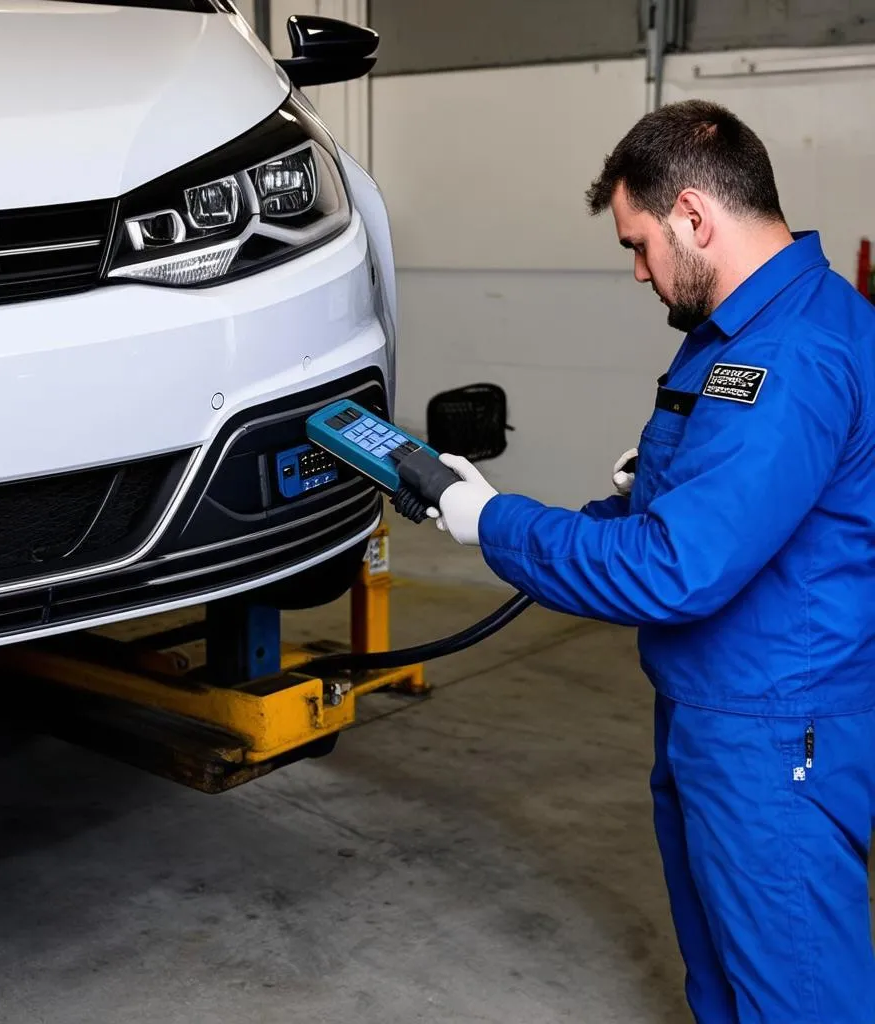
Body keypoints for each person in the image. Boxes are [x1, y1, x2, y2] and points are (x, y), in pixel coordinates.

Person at [428, 99, 875, 1023]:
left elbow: (676, 566)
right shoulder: (744, 337)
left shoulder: (790, 354)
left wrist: (493, 522)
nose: (639, 272)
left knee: (795, 998)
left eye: (639, 244)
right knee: (722, 981)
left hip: (769, 732)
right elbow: (703, 504)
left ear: (695, 217)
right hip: (719, 711)